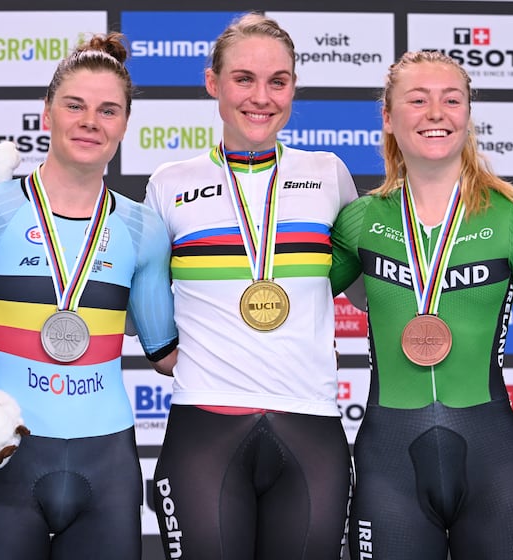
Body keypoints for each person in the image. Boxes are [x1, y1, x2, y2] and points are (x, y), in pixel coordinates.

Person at [0, 32, 178, 560]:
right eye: (74, 105)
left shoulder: (143, 228)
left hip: (109, 467)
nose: (90, 121)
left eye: (108, 110)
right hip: (5, 457)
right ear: (46, 114)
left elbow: (166, 356)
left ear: (124, 124)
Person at [330, 50, 513, 560]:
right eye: (418, 99)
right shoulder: (359, 221)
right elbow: (300, 307)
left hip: (492, 459)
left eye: (452, 100)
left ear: (467, 114)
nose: (436, 113)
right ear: (388, 117)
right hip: (389, 462)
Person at [143, 12, 358, 560]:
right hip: (205, 426)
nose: (261, 97)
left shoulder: (329, 173)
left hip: (311, 423)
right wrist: (166, 351)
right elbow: (143, 291)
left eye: (278, 81)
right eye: (243, 79)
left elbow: (367, 287)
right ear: (213, 83)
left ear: (292, 88)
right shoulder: (169, 183)